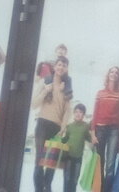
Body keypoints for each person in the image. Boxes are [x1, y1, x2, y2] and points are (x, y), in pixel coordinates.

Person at [31, 55, 74, 192]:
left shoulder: (67, 87)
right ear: (55, 67)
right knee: (39, 160)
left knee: (52, 163)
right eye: (59, 64)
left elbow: (68, 111)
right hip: (43, 124)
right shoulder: (45, 81)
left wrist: (63, 127)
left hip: (56, 127)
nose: (61, 67)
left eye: (64, 65)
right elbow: (33, 104)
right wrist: (46, 91)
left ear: (66, 69)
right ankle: (39, 189)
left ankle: (47, 187)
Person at [91, 67, 119, 192]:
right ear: (108, 74)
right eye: (112, 71)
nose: (114, 74)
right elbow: (95, 113)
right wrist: (92, 133)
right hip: (100, 129)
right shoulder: (100, 93)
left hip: (114, 131)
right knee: (99, 162)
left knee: (110, 165)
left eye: (116, 72)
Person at [61, 103, 92, 192]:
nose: (78, 114)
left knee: (74, 180)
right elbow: (64, 140)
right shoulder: (69, 126)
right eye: (76, 112)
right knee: (67, 179)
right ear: (74, 113)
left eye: (80, 112)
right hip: (68, 157)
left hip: (78, 158)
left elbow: (90, 139)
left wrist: (94, 137)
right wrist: (60, 136)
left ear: (83, 114)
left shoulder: (86, 126)